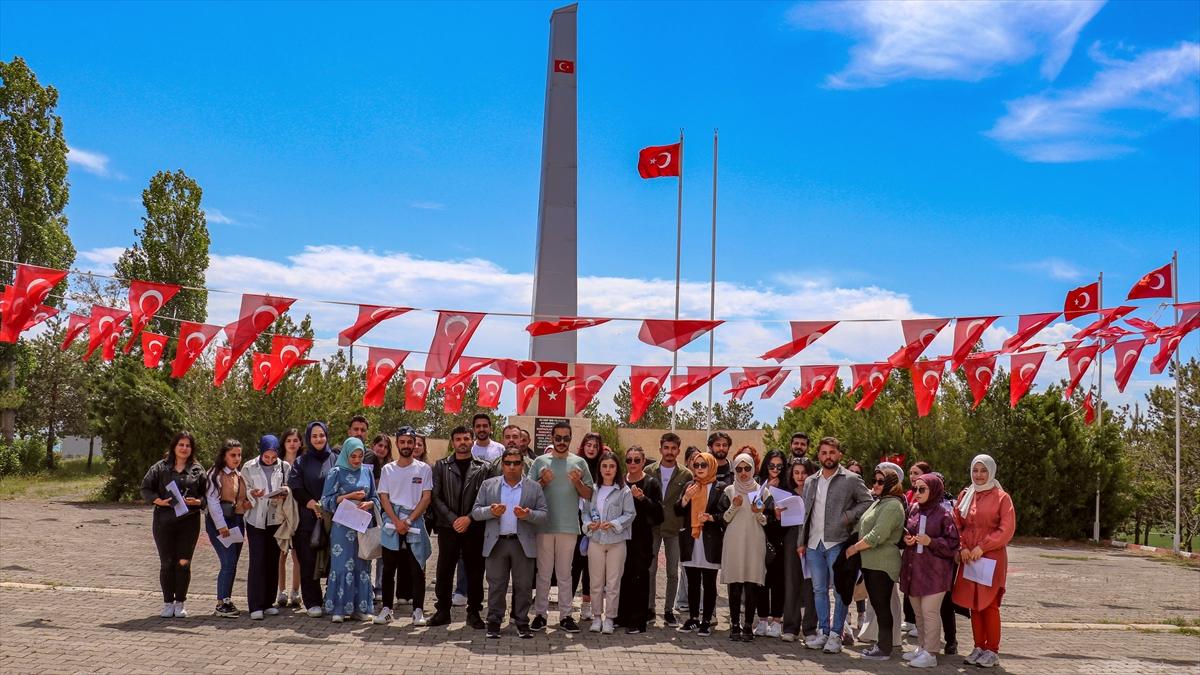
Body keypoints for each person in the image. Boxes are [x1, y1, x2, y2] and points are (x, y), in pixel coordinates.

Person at [799, 437, 872, 654]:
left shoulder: (851, 479)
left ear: (839, 454)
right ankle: (823, 631)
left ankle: (836, 635)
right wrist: (801, 542)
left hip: (837, 542)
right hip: (813, 543)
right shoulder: (811, 480)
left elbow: (867, 502)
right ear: (818, 455)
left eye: (832, 452)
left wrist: (849, 516)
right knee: (819, 590)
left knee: (840, 591)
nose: (828, 456)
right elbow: (806, 512)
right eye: (824, 452)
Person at [472, 447, 549, 639]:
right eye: (508, 463)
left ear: (522, 465)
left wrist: (528, 514)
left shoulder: (534, 487)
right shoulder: (489, 485)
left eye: (516, 463)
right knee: (496, 585)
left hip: (522, 544)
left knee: (523, 586)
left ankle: (522, 622)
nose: (512, 467)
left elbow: (544, 515)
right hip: (497, 543)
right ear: (502, 464)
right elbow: (475, 512)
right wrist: (491, 511)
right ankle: (494, 622)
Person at [953, 455, 1016, 669]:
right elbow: (957, 524)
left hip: (991, 557)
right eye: (975, 470)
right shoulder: (966, 494)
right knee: (974, 605)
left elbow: (1006, 529)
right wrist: (963, 547)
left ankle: (992, 650)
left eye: (983, 470)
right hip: (969, 557)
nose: (979, 475)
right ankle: (978, 646)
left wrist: (983, 546)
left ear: (991, 472)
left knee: (989, 605)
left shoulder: (1002, 497)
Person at [530, 421, 594, 633]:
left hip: (568, 527)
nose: (561, 442)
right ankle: (540, 614)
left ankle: (566, 615)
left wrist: (577, 483)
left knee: (565, 574)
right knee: (544, 573)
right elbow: (528, 494)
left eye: (566, 438)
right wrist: (542, 482)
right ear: (552, 438)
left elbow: (590, 494)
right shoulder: (540, 461)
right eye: (558, 438)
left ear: (570, 439)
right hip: (544, 526)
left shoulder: (580, 463)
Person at [845, 464, 907, 661]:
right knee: (880, 606)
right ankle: (881, 646)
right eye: (875, 480)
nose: (877, 484)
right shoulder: (880, 502)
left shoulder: (892, 505)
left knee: (882, 607)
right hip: (872, 563)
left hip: (883, 563)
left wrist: (854, 548)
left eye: (881, 481)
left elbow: (877, 535)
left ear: (890, 483)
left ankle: (884, 648)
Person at [141, 432, 206, 618]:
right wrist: (157, 500)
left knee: (183, 563)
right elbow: (145, 489)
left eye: (188, 445)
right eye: (181, 445)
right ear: (174, 447)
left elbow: (207, 496)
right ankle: (168, 602)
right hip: (164, 522)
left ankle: (181, 602)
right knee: (167, 563)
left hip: (189, 523)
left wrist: (197, 502)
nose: (184, 448)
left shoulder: (197, 470)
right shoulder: (160, 468)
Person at [429, 426, 489, 628]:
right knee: (444, 570)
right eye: (458, 439)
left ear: (472, 440)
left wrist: (469, 518)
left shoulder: (483, 467)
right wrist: (454, 518)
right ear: (452, 442)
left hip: (474, 528)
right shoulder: (441, 466)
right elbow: (435, 497)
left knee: (475, 571)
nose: (462, 442)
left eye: (466, 438)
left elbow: (486, 498)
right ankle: (442, 611)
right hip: (448, 527)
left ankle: (473, 613)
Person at [900, 473, 960, 668]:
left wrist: (931, 542)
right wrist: (907, 540)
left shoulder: (944, 514)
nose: (917, 493)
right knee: (918, 612)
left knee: (929, 612)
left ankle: (931, 653)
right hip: (914, 569)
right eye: (915, 489)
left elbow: (953, 544)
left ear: (934, 490)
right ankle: (922, 646)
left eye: (922, 489)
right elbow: (907, 531)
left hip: (936, 573)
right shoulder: (914, 509)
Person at [375, 427, 433, 627]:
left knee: (418, 568)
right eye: (403, 442)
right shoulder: (388, 469)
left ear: (415, 443)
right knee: (389, 568)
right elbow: (383, 497)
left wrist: (408, 521)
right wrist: (396, 521)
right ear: (397, 443)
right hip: (392, 524)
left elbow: (426, 497)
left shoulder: (424, 469)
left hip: (415, 522)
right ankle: (387, 609)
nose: (407, 446)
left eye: (411, 442)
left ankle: (418, 610)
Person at [320, 437, 378, 622]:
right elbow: (326, 501)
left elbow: (376, 498)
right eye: (353, 456)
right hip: (342, 527)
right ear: (346, 454)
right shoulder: (335, 472)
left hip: (361, 526)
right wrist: (349, 496)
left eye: (360, 456)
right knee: (341, 564)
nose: (357, 460)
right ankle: (338, 607)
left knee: (362, 565)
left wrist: (369, 503)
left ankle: (359, 609)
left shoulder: (367, 472)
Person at [582, 451, 635, 634]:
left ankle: (610, 618)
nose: (608, 469)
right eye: (604, 466)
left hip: (616, 542)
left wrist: (613, 523)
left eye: (612, 466)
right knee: (596, 581)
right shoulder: (593, 490)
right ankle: (596, 617)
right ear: (599, 469)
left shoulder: (624, 490)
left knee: (613, 583)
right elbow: (585, 512)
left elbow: (630, 514)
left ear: (617, 469)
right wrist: (590, 524)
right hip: (595, 540)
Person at [287, 421, 337, 617]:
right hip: (308, 518)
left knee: (333, 561)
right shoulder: (302, 461)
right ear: (309, 438)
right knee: (308, 561)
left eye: (322, 435)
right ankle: (312, 601)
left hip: (333, 519)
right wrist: (312, 504)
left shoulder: (336, 458)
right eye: (314, 436)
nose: (319, 439)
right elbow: (296, 488)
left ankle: (330, 598)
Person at [677, 450, 729, 637]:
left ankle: (706, 620)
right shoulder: (689, 486)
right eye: (696, 465)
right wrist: (685, 499)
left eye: (703, 465)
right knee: (692, 582)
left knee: (708, 583)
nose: (699, 468)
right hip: (691, 539)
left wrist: (711, 518)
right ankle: (692, 618)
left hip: (710, 541)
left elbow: (725, 515)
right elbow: (677, 510)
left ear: (711, 466)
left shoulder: (720, 487)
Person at [244, 434, 291, 620]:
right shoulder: (249, 466)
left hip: (275, 518)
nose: (270, 460)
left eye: (273, 457)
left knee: (273, 560)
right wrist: (252, 493)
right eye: (267, 457)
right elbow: (244, 488)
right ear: (261, 452)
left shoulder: (284, 466)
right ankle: (255, 604)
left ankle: (268, 601)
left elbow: (288, 487)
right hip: (256, 519)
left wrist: (284, 493)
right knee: (258, 560)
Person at [722, 452, 767, 642]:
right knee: (735, 584)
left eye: (747, 468)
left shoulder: (763, 491)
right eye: (739, 469)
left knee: (751, 584)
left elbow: (768, 522)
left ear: (753, 469)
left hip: (754, 541)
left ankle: (748, 624)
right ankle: (734, 624)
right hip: (733, 541)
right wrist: (734, 507)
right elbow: (723, 520)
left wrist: (758, 513)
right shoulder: (729, 491)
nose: (743, 473)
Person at [646, 433, 690, 627]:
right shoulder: (649, 471)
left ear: (678, 451)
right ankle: (649, 608)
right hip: (653, 527)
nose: (669, 452)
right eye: (666, 448)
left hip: (674, 527)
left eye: (673, 449)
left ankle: (668, 610)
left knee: (673, 571)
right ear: (660, 449)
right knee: (651, 570)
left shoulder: (686, 474)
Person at [203, 439, 249, 618]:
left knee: (233, 562)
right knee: (228, 561)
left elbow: (240, 499)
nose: (237, 458)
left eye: (239, 454)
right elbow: (213, 501)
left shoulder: (238, 474)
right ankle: (221, 602)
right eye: (233, 455)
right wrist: (221, 526)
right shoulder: (215, 474)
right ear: (224, 455)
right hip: (221, 523)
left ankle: (227, 599)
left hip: (237, 521)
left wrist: (247, 503)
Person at [779, 457, 819, 642]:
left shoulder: (817, 492)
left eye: (804, 472)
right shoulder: (786, 493)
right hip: (791, 540)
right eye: (796, 472)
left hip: (812, 540)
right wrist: (777, 513)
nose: (800, 476)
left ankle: (810, 629)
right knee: (791, 583)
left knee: (812, 584)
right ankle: (790, 627)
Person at [754, 449, 788, 637]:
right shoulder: (758, 483)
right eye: (771, 465)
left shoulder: (787, 485)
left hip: (780, 537)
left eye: (779, 466)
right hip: (760, 535)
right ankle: (762, 620)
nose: (775, 469)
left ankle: (776, 621)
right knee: (761, 581)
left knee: (777, 581)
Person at [572, 432, 604, 621]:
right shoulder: (576, 466)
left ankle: (586, 604)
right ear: (583, 446)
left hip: (597, 522)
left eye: (595, 446)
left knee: (592, 567)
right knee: (575, 564)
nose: (591, 449)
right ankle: (567, 606)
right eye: (588, 445)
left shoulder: (603, 468)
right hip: (576, 521)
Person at [364, 433, 393, 601]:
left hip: (385, 513)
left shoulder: (391, 467)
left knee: (383, 551)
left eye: (385, 446)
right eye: (379, 445)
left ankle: (380, 586)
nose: (381, 449)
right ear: (373, 446)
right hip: (367, 511)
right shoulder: (365, 464)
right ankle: (367, 586)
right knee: (367, 547)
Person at [277, 428, 303, 607]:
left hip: (299, 511)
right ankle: (281, 591)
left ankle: (295, 591)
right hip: (281, 513)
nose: (292, 443)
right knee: (281, 553)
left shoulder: (303, 462)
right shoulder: (277, 463)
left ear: (301, 443)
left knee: (298, 555)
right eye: (289, 440)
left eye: (295, 440)